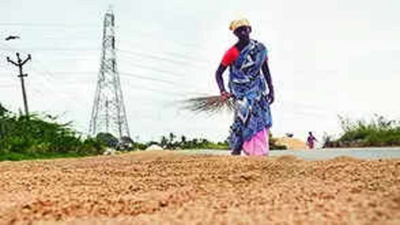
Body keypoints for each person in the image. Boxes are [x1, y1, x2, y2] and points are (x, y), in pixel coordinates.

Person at [215, 18, 274, 156]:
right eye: (239, 30)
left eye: (245, 29)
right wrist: (223, 90)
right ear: (235, 33)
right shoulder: (232, 52)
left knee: (259, 118)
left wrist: (271, 89)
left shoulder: (260, 49)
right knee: (243, 118)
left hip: (257, 89)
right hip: (240, 91)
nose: (243, 32)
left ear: (250, 30)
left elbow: (265, 70)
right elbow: (218, 73)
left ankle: (260, 152)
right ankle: (238, 149)